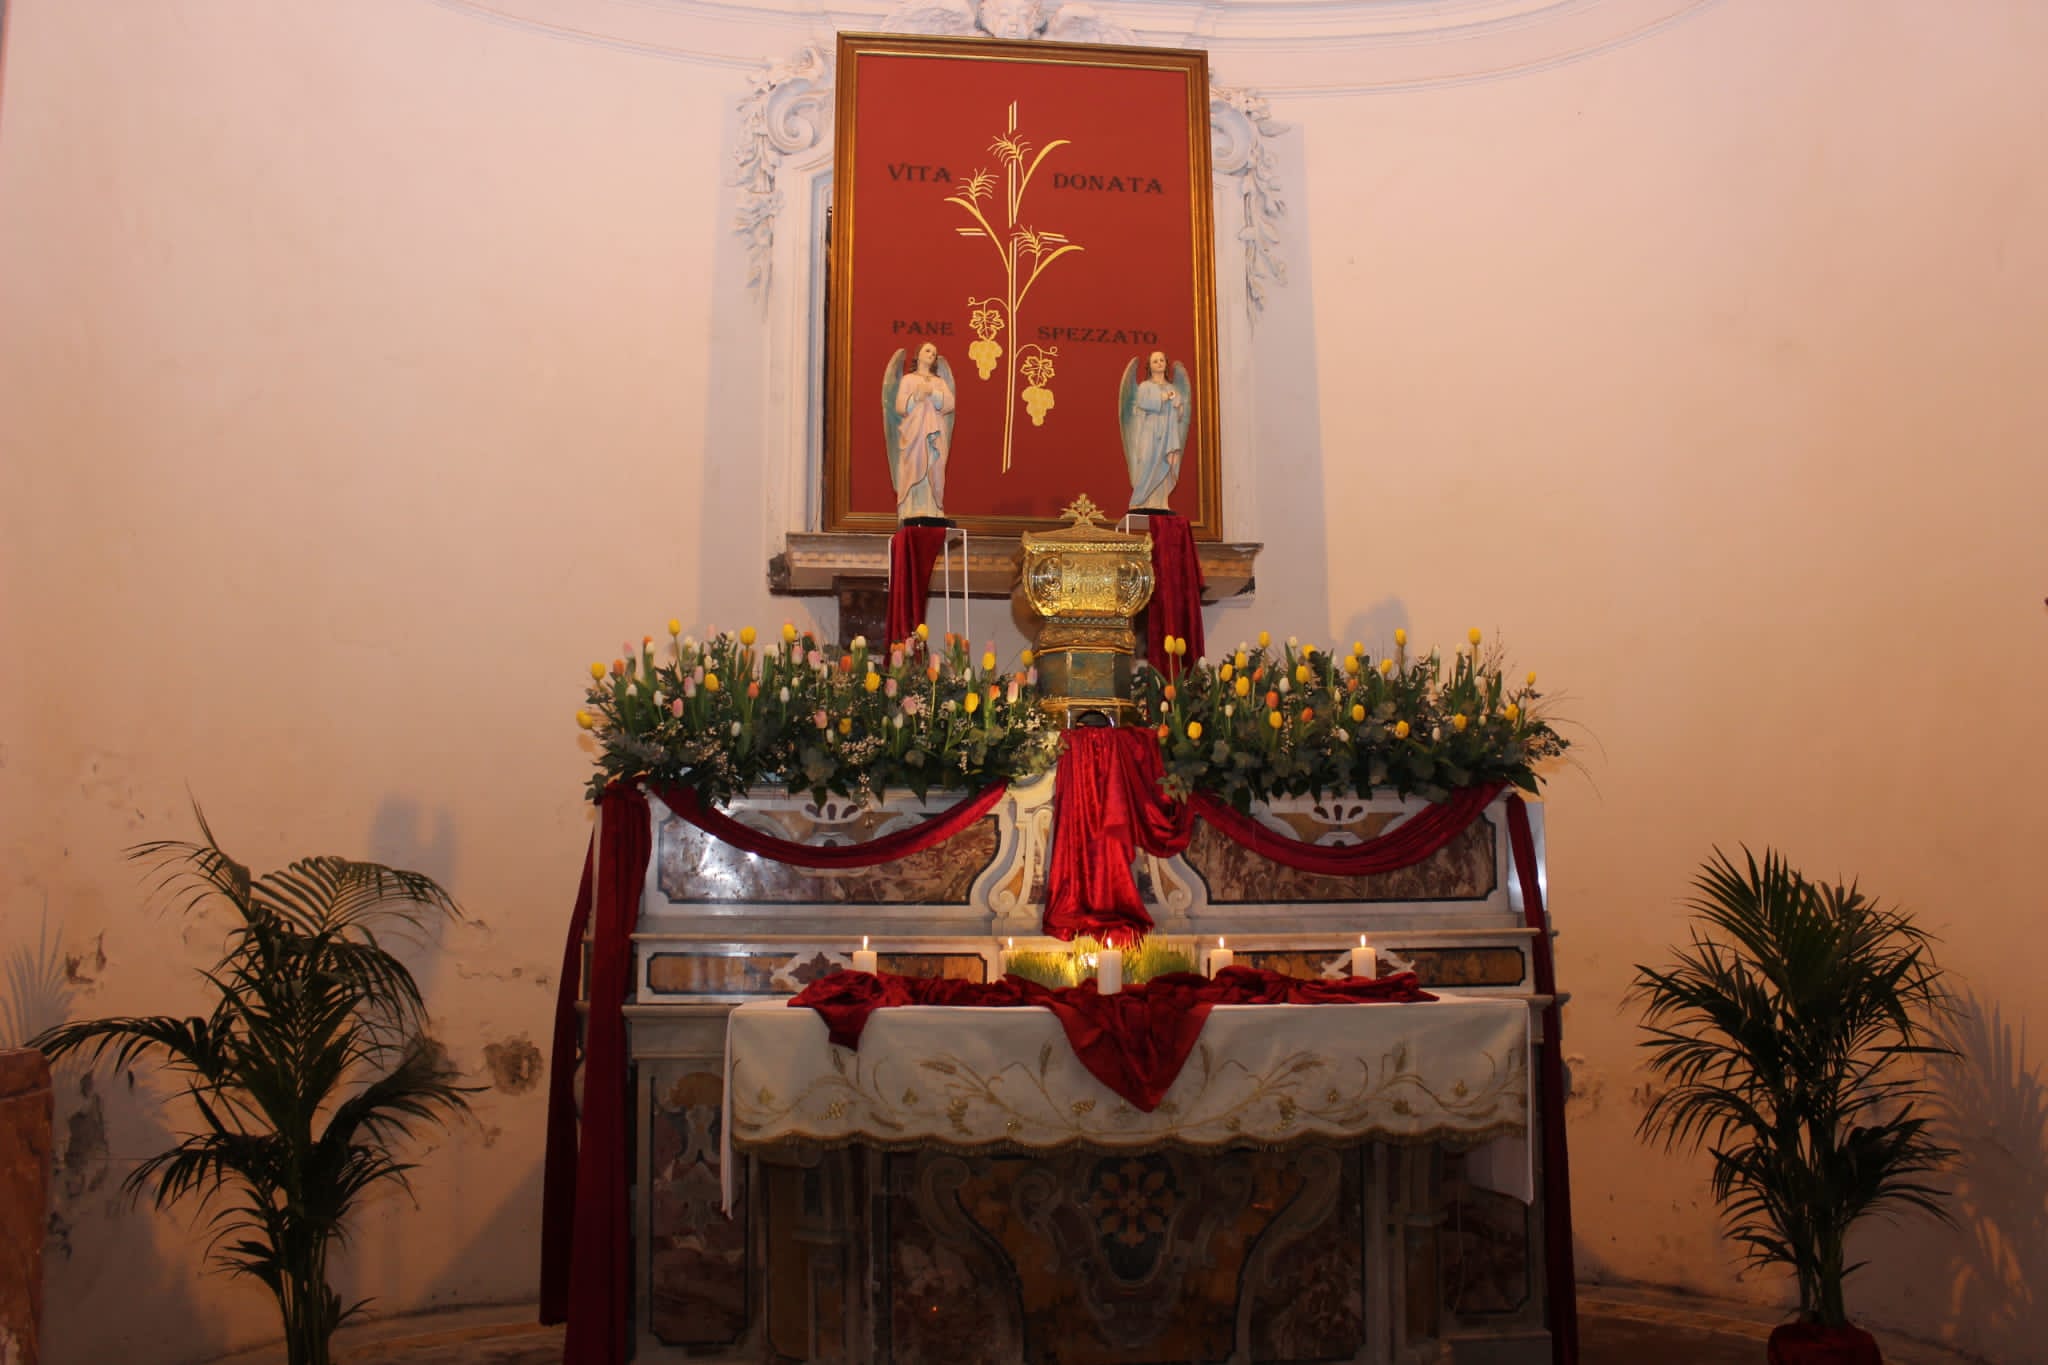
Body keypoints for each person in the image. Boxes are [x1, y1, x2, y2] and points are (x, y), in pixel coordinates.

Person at [884, 342, 957, 522]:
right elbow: (900, 407)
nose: (932, 354)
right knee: (913, 465)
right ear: (918, 355)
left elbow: (949, 404)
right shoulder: (908, 380)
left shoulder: (939, 382)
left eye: (934, 352)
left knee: (933, 466)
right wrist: (916, 396)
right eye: (928, 350)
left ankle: (932, 509)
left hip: (934, 434)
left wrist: (933, 393)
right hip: (914, 433)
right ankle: (911, 509)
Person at [1119, 349, 1192, 512]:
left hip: (1168, 433)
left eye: (1161, 360)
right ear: (1150, 366)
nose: (1159, 363)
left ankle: (1160, 503)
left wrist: (1178, 405)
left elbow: (1180, 415)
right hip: (1150, 431)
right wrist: (1162, 398)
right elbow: (1142, 403)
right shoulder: (1145, 386)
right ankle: (1139, 501)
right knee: (1147, 462)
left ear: (1166, 364)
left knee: (1164, 464)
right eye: (1155, 361)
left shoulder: (1172, 387)